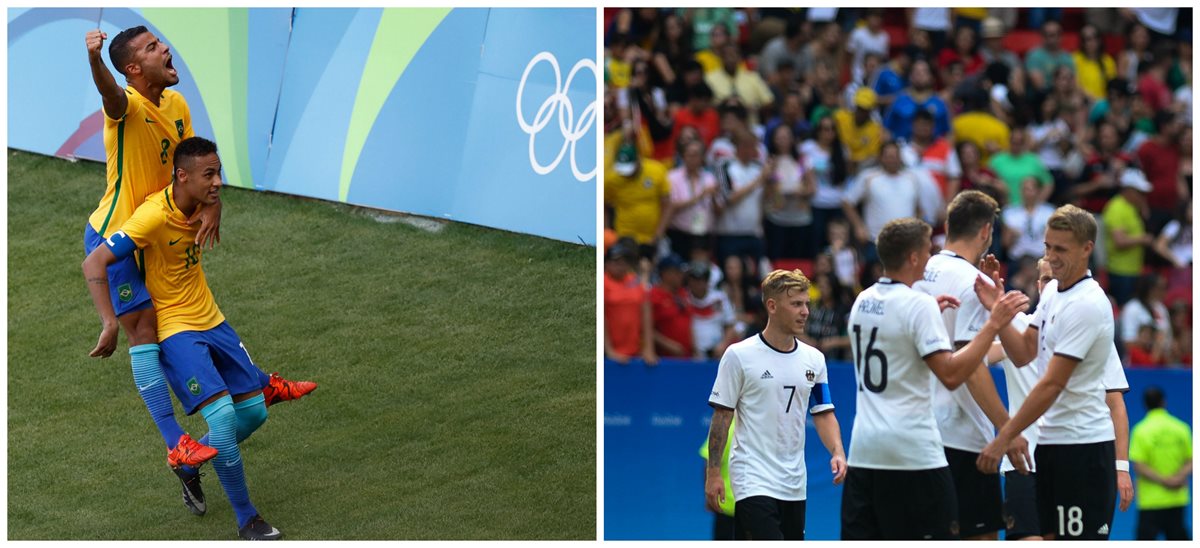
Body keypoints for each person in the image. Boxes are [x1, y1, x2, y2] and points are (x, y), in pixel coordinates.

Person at [82, 26, 314, 503]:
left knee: (191, 304)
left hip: (161, 228)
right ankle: (177, 446)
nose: (165, 48)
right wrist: (94, 60)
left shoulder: (178, 107)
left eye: (159, 42)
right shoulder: (126, 106)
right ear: (131, 70)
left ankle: (250, 388)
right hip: (118, 233)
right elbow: (109, 95)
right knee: (144, 331)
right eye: (151, 48)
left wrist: (212, 204)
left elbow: (191, 169)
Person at [82, 138, 289, 539]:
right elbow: (95, 260)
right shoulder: (151, 217)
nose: (218, 183)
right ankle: (247, 519)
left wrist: (213, 203)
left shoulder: (197, 199)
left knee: (254, 413)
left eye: (218, 173)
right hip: (176, 328)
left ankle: (190, 465)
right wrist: (109, 321)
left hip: (211, 319)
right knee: (225, 417)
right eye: (209, 175)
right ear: (182, 176)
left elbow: (206, 193)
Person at [841, 217, 1029, 540]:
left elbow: (898, 347)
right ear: (913, 257)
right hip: (912, 453)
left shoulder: (863, 300)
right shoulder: (917, 306)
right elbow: (953, 374)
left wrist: (931, 318)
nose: (931, 258)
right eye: (927, 251)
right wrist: (993, 323)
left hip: (864, 451)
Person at [978, 205, 1120, 540]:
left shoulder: (1087, 303)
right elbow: (1024, 352)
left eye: (1061, 249)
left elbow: (1052, 383)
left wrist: (1003, 438)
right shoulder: (1054, 291)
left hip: (1083, 449)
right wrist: (998, 309)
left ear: (1087, 248)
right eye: (1047, 247)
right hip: (1053, 446)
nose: (1052, 257)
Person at [705, 269, 847, 540]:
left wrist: (837, 451)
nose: (805, 311)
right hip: (752, 480)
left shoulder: (814, 360)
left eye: (807, 303)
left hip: (795, 484)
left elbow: (823, 412)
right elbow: (722, 417)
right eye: (796, 304)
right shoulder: (739, 355)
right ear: (772, 306)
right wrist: (713, 474)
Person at [912, 191, 1013, 540]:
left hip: (916, 430)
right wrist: (1007, 430)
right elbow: (970, 364)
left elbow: (965, 352)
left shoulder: (913, 271)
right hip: (961, 433)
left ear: (946, 226)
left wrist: (1015, 348)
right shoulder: (975, 282)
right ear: (986, 232)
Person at [1130, 386, 1193, 539]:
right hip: (1177, 497)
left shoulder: (1140, 430)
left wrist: (1164, 480)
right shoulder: (1181, 428)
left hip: (1150, 501)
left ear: (1145, 405)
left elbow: (1139, 466)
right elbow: (1191, 460)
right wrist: (1177, 479)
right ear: (1163, 402)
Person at [1102, 169, 1154, 306]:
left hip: (1133, 270)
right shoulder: (1116, 208)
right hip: (1120, 272)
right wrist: (1143, 239)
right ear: (1128, 190)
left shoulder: (1132, 207)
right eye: (1139, 192)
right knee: (1124, 308)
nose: (1143, 196)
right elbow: (1119, 241)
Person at [649, 254, 693, 358]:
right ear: (665, 274)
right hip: (664, 359)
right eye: (677, 272)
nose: (681, 275)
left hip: (688, 358)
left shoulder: (684, 293)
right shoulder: (654, 295)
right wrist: (668, 345)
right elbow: (646, 329)